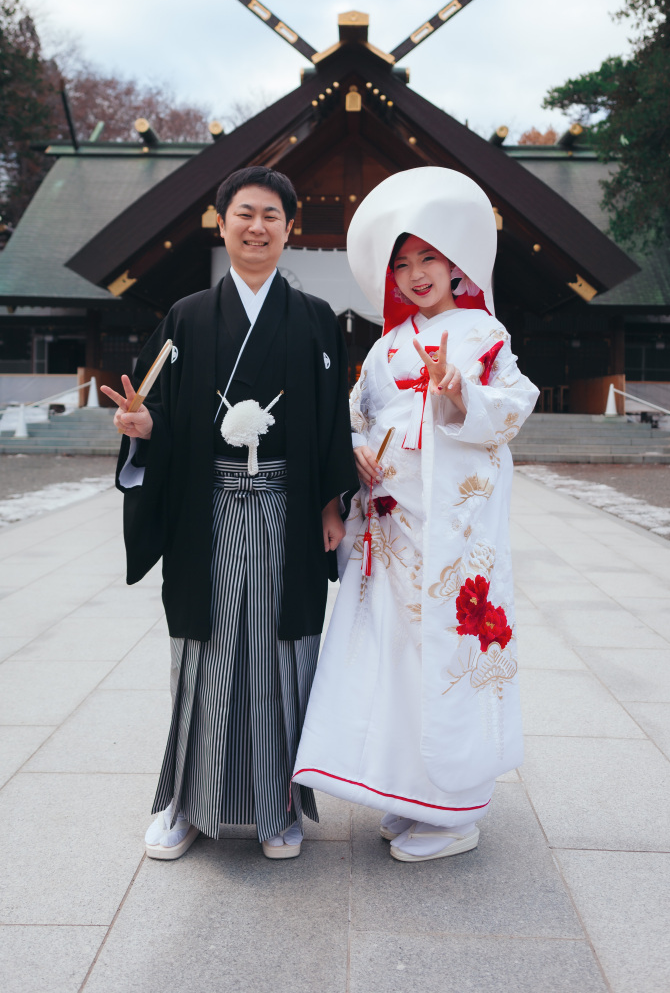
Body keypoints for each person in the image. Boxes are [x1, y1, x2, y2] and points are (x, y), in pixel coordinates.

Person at [103, 166, 357, 862]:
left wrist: (334, 503)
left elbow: (331, 421)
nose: (256, 226)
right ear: (221, 222)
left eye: (271, 215)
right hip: (207, 509)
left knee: (283, 652)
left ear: (289, 228)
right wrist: (143, 427)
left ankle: (279, 809)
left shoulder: (313, 320)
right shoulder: (186, 317)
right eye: (243, 213)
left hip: (287, 508)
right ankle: (187, 805)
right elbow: (163, 412)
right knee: (206, 653)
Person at [293, 167, 539, 862]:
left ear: (456, 264)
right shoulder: (384, 348)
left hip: (454, 536)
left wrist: (462, 396)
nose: (415, 274)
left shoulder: (484, 333)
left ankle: (456, 808)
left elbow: (515, 405)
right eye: (402, 264)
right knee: (392, 659)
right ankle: (409, 793)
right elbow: (354, 415)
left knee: (448, 652)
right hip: (393, 530)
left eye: (427, 257)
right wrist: (354, 454)